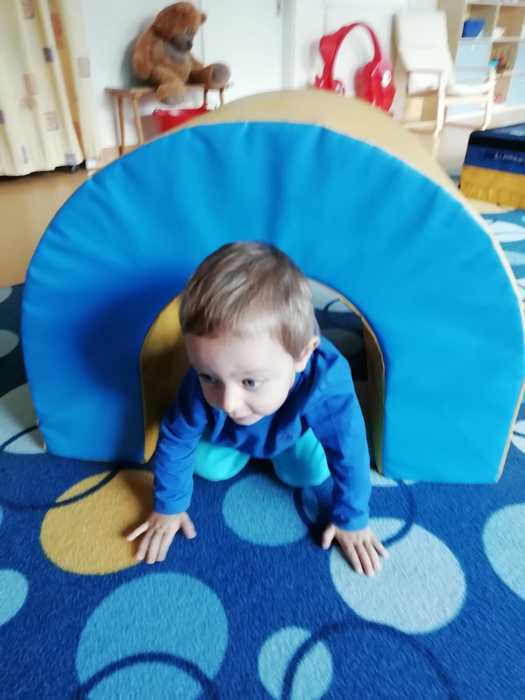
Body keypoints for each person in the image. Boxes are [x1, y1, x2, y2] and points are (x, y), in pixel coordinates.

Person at [127, 241, 388, 575]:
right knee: (207, 466)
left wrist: (353, 519)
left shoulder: (326, 378)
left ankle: (285, 451)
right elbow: (177, 437)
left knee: (308, 471)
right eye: (209, 377)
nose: (228, 402)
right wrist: (168, 507)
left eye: (250, 381)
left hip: (292, 435)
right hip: (229, 438)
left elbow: (349, 448)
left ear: (302, 356)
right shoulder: (210, 376)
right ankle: (245, 445)